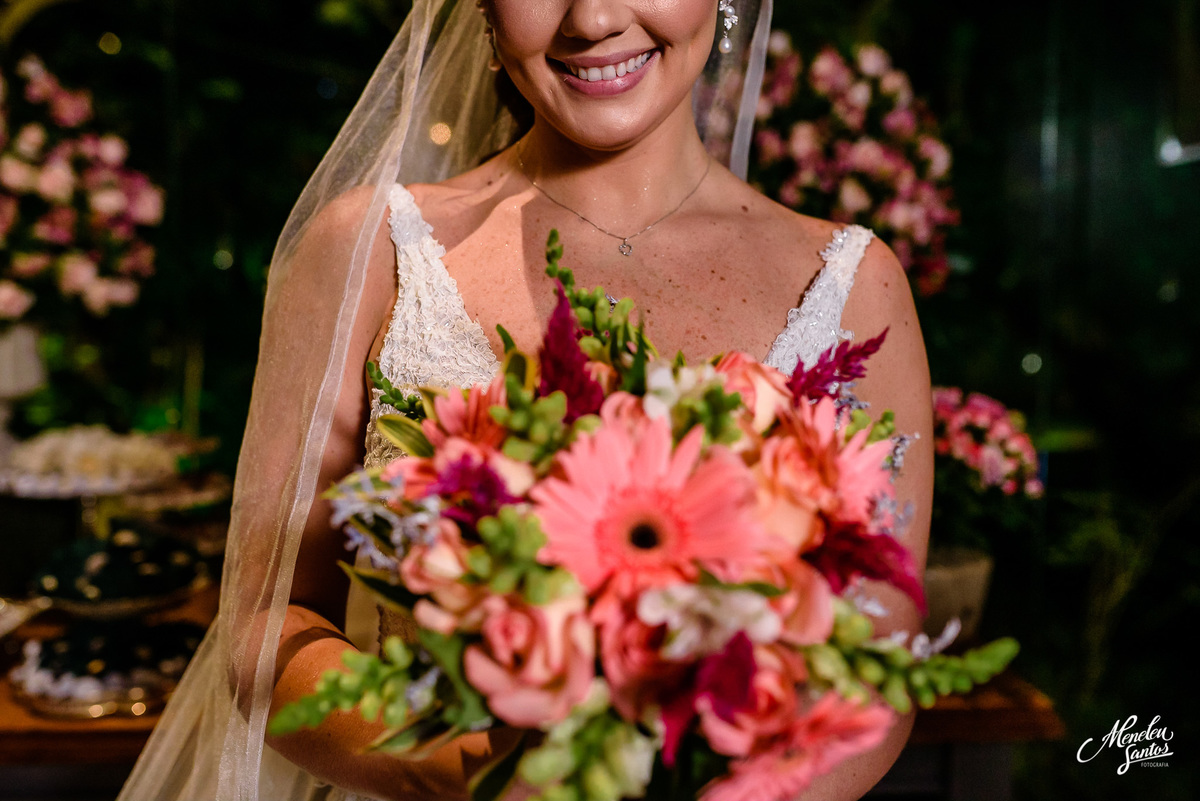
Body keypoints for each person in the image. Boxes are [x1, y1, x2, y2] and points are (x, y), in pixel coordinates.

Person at [118, 1, 932, 800]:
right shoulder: (366, 256)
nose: (593, 20)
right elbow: (265, 627)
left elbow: (883, 665)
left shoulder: (854, 287)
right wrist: (484, 776)